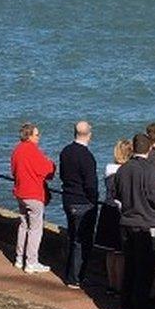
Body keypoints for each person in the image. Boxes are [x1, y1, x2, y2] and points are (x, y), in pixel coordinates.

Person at [114, 133, 155, 309]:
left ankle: (125, 306)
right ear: (149, 149)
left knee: (130, 266)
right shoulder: (150, 170)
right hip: (146, 224)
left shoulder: (123, 169)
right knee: (145, 271)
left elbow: (116, 193)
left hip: (126, 222)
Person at [11, 122, 56, 274]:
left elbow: (14, 170)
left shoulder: (17, 150)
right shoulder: (32, 150)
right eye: (37, 135)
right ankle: (31, 261)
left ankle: (19, 258)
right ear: (29, 136)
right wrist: (52, 163)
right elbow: (47, 170)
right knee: (35, 229)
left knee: (23, 225)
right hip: (33, 193)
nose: (39, 137)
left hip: (20, 192)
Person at [59, 120, 99, 288]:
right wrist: (93, 199)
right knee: (82, 241)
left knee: (73, 237)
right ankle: (76, 277)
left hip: (68, 198)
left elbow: (62, 175)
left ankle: (71, 274)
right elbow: (90, 184)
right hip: (83, 201)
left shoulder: (65, 151)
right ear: (89, 134)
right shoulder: (87, 157)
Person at [95, 139, 130, 295]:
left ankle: (111, 284)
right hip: (119, 212)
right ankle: (120, 285)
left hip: (107, 210)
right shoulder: (126, 172)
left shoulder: (109, 169)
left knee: (110, 251)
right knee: (121, 253)